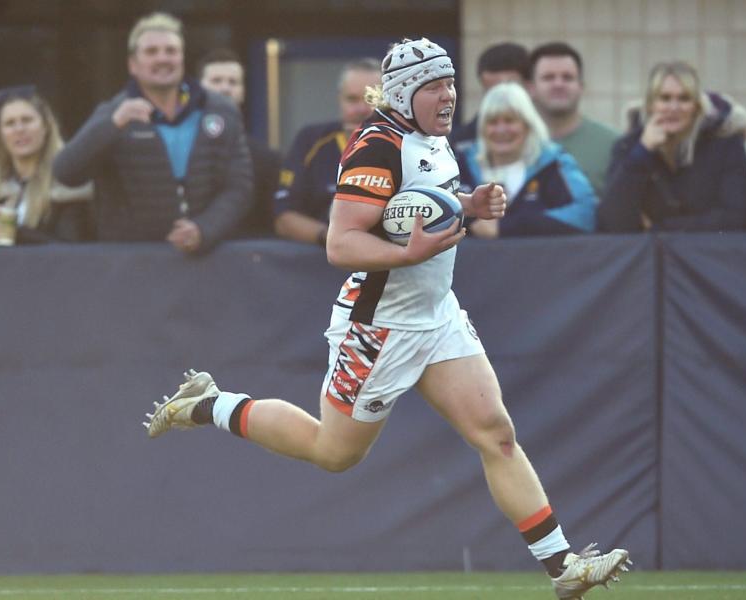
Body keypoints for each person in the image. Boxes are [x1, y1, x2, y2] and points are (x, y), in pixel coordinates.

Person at [144, 37, 630, 599]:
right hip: (379, 324)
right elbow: (341, 244)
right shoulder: (376, 146)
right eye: (435, 86)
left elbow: (426, 200)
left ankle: (563, 567)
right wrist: (406, 254)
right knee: (335, 452)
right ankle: (208, 404)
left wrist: (471, 204)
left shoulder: (433, 138)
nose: (449, 96)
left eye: (451, 83)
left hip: (436, 312)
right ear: (404, 92)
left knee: (496, 435)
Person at [53, 12, 252, 254]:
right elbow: (65, 173)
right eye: (151, 52)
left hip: (205, 259)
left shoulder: (220, 110)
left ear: (182, 57)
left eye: (171, 51)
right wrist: (112, 125)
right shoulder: (113, 114)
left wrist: (205, 229)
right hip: (133, 263)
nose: (163, 58)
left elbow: (239, 187)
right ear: (133, 65)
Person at [599, 61, 746, 232]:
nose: (674, 107)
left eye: (684, 98)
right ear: (650, 105)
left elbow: (738, 216)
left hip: (709, 255)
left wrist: (661, 228)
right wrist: (642, 152)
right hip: (650, 257)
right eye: (665, 98)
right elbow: (611, 221)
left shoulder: (726, 143)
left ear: (696, 107)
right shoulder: (629, 147)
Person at [455, 81, 596, 238]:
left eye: (510, 121)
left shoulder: (553, 162)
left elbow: (585, 214)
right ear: (482, 128)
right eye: (493, 122)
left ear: (528, 125)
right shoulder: (459, 164)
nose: (501, 130)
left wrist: (508, 227)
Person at [273, 58, 381, 247]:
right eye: (352, 99)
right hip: (320, 264)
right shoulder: (311, 140)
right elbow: (284, 218)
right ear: (339, 99)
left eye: (371, 99)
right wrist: (332, 237)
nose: (362, 109)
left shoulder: (409, 146)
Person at [0, 85, 92, 244]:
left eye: (27, 120)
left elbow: (74, 255)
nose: (19, 129)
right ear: (0, 134)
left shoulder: (68, 185)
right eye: (10, 123)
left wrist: (19, 235)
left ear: (46, 126)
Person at [198, 48, 281, 238]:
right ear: (199, 89)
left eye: (233, 82)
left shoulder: (266, 159)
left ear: (243, 92)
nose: (225, 88)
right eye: (216, 81)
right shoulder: (180, 149)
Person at [527, 42, 619, 198]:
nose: (558, 84)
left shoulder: (613, 145)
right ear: (531, 89)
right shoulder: (511, 145)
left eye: (567, 77)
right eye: (548, 78)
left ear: (581, 87)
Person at [450, 41, 529, 145]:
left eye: (509, 92)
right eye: (492, 92)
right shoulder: (461, 143)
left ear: (530, 86)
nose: (499, 99)